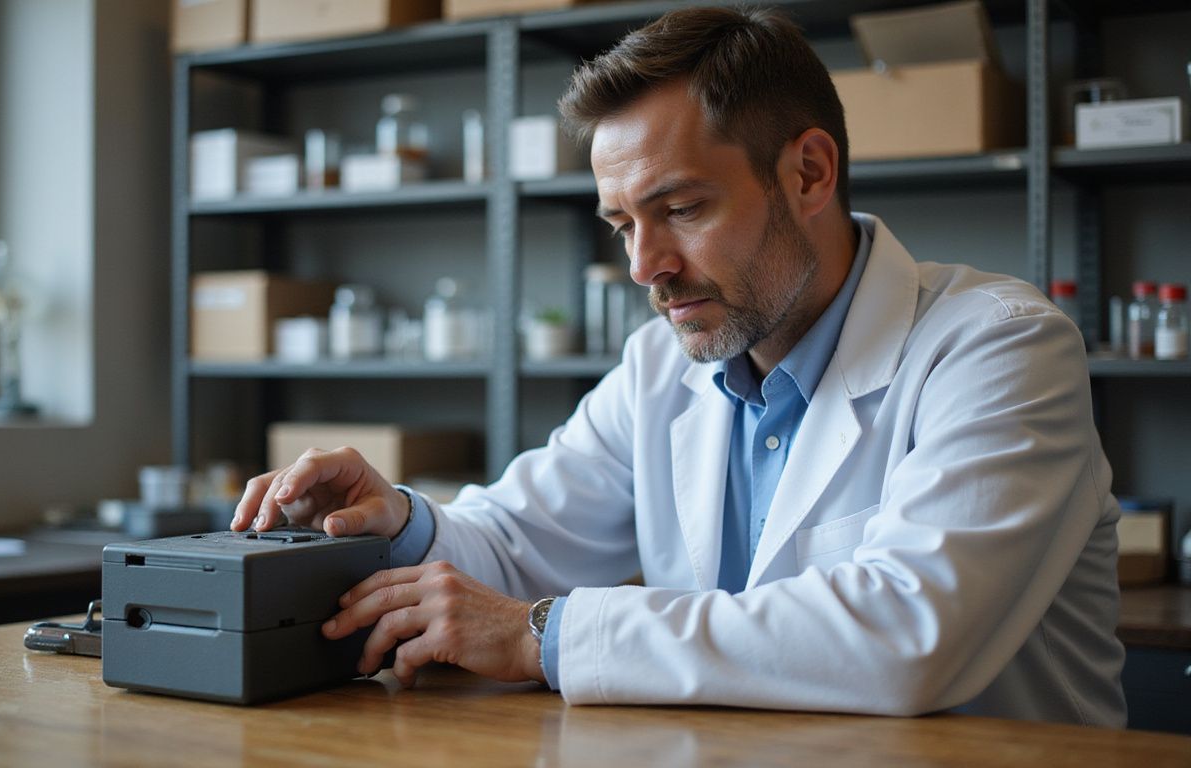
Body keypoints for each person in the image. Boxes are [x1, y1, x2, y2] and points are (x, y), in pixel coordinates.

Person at [231, 6, 1126, 725]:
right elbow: (517, 544)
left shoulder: (1000, 345)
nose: (643, 267)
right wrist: (399, 524)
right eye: (622, 224)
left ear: (810, 173)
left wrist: (546, 637)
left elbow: (911, 637)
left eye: (682, 207)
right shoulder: (662, 370)